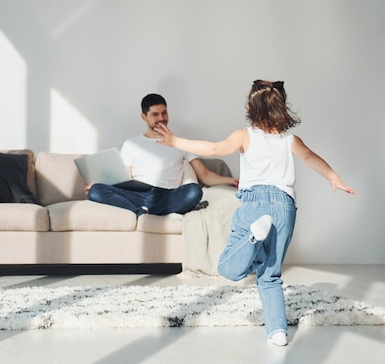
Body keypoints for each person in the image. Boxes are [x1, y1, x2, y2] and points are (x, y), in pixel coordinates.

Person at [154, 79, 356, 347]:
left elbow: (214, 149)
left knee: (228, 268)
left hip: (254, 204)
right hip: (284, 208)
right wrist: (333, 176)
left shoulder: (244, 136)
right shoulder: (290, 140)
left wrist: (176, 140)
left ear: (251, 106)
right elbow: (310, 158)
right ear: (280, 108)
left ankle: (252, 237)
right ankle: (278, 332)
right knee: (270, 275)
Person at [87, 93, 238, 217]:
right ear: (144, 117)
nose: (161, 118)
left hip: (166, 196)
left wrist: (230, 180)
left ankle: (145, 212)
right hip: (138, 194)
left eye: (164, 113)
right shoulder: (131, 144)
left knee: (194, 191)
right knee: (96, 190)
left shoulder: (180, 143)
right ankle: (140, 213)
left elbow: (205, 175)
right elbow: (124, 178)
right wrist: (100, 183)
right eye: (155, 114)